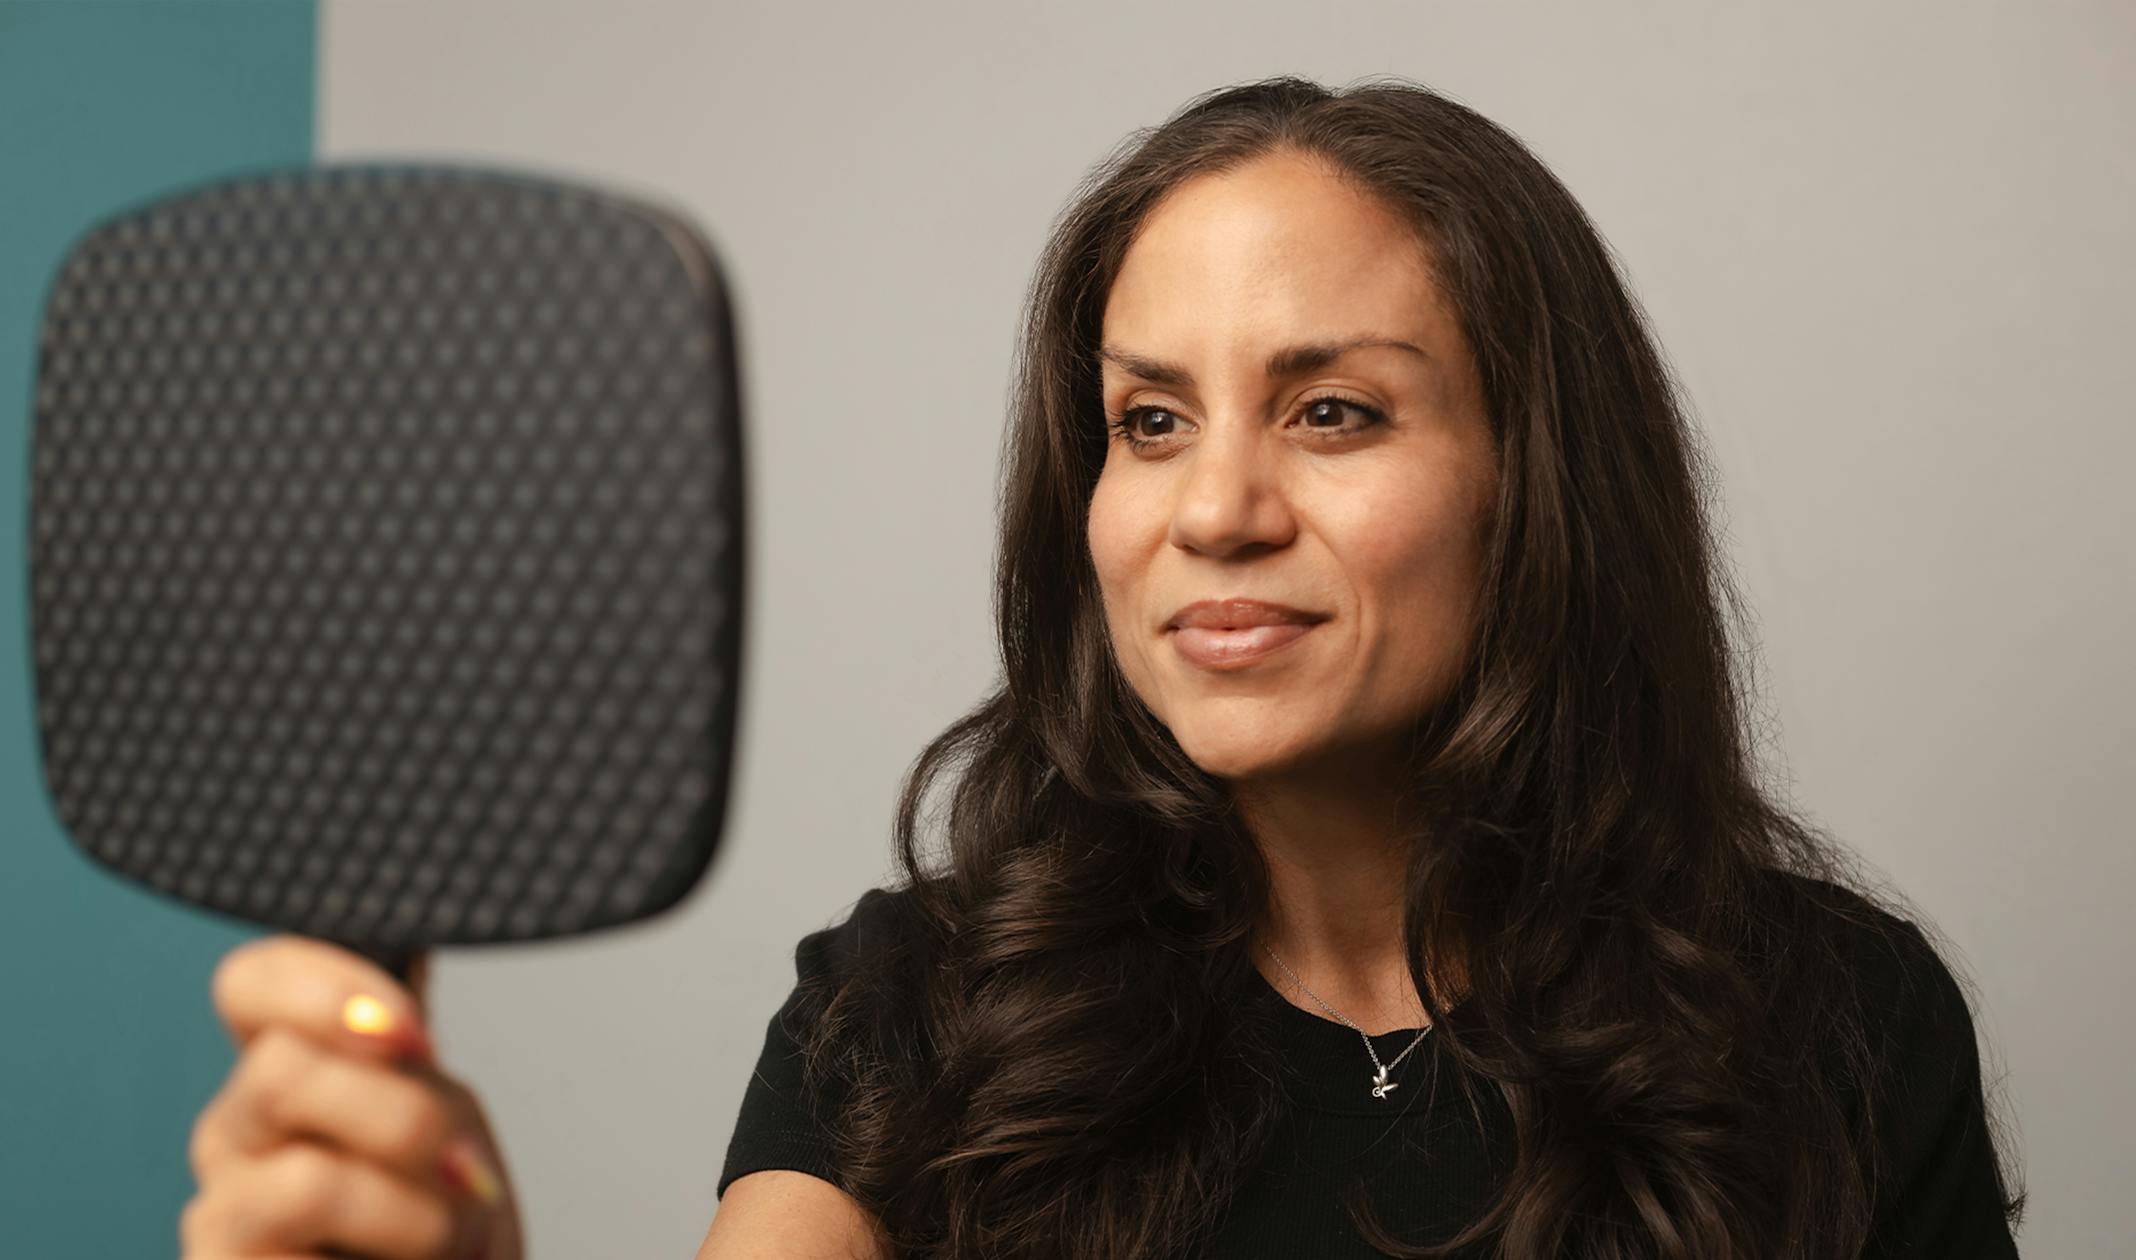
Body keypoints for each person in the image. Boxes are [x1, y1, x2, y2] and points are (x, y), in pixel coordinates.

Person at [179, 75, 2026, 1260]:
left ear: (1536, 482)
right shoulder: (915, 1011)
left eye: (1332, 410)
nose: (1212, 509)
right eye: (1149, 420)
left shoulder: (1838, 1025)